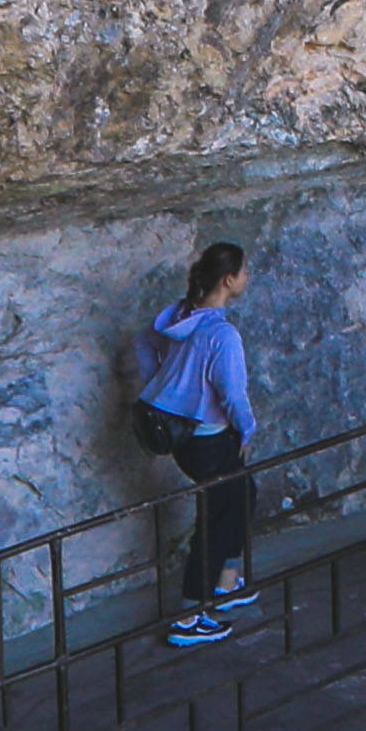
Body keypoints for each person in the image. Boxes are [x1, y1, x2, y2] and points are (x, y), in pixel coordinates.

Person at [137, 242, 260, 646]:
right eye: (244, 272)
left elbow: (144, 343)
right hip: (210, 438)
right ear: (229, 281)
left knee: (242, 495)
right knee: (219, 517)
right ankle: (192, 612)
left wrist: (163, 386)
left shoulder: (180, 315)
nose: (247, 278)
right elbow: (232, 391)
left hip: (182, 435)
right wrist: (248, 430)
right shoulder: (222, 334)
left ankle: (224, 582)